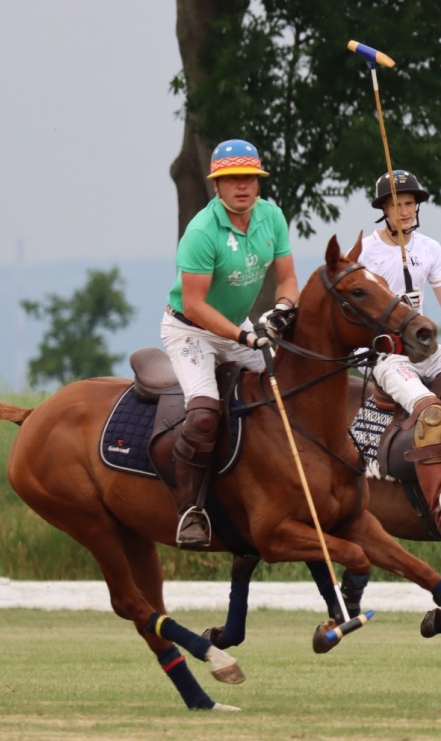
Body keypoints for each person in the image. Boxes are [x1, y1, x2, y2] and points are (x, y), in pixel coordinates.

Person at [160, 139, 300, 548]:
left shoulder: (271, 216)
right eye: (232, 179)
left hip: (240, 326)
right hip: (190, 331)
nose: (242, 185)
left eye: (249, 178)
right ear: (216, 185)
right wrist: (244, 336)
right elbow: (194, 305)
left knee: (284, 393)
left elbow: (288, 279)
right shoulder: (201, 231)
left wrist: (281, 310)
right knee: (204, 413)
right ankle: (191, 509)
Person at [359, 169, 441, 539]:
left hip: (427, 349)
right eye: (396, 204)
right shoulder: (367, 251)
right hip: (388, 356)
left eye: (409, 203)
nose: (404, 211)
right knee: (430, 410)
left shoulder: (430, 248)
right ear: (383, 210)